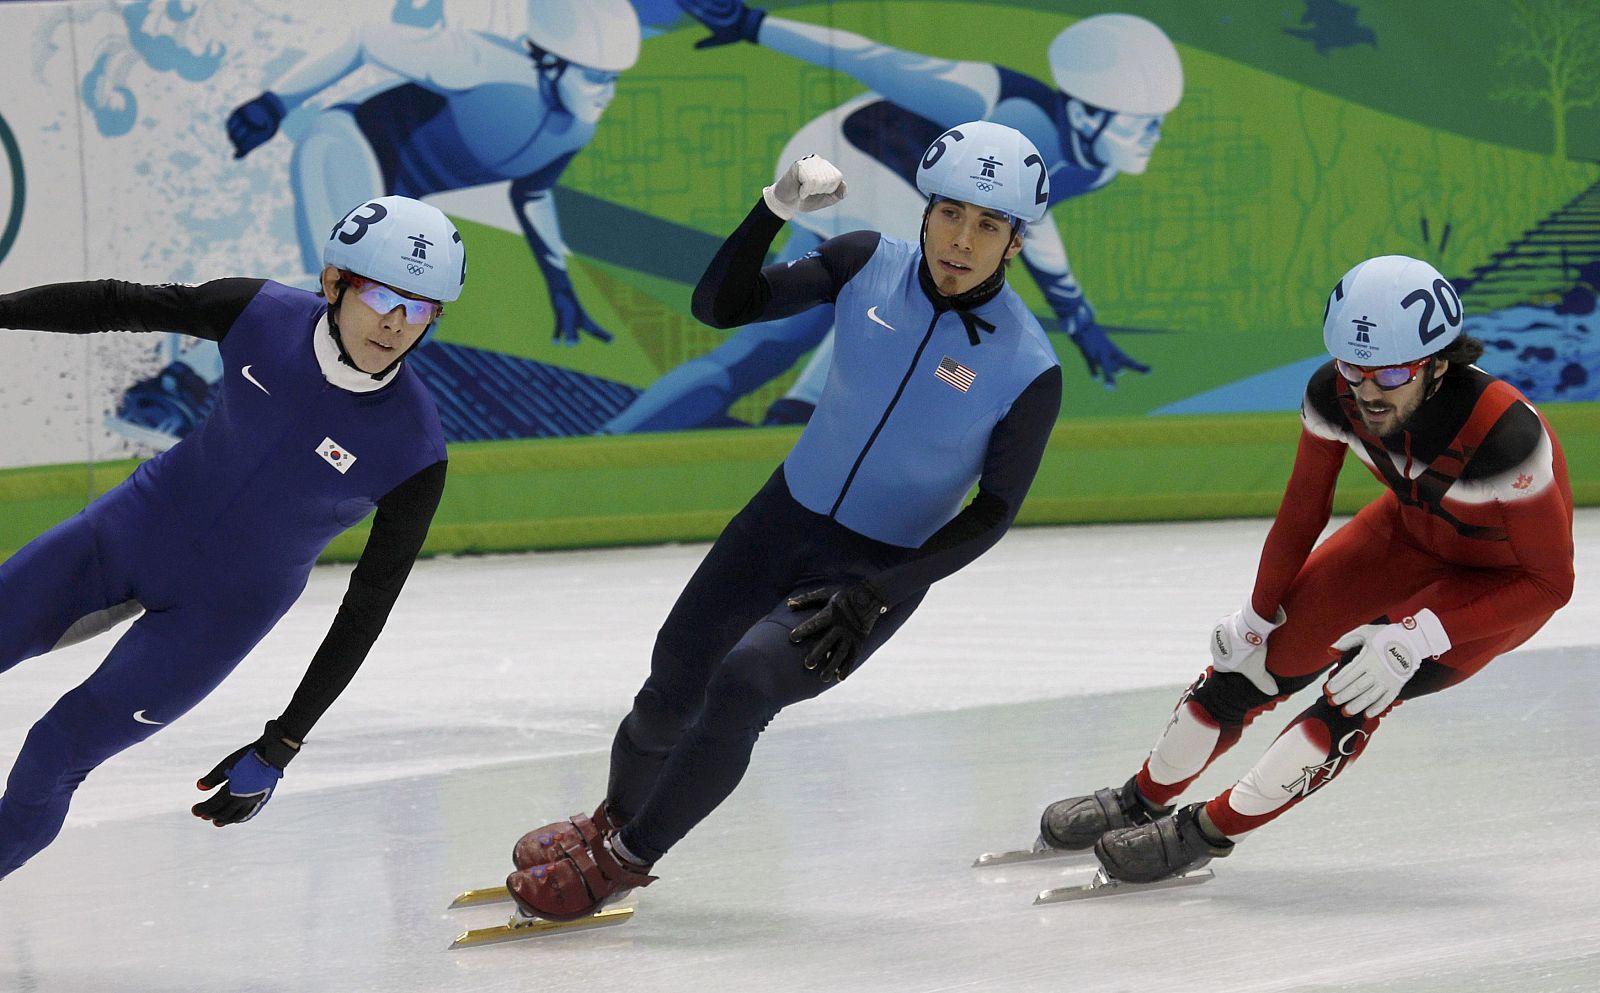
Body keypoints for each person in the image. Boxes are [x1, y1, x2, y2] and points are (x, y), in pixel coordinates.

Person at [505, 121, 1065, 920]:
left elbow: (993, 513)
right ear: (927, 211)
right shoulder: (864, 262)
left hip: (870, 574)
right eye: (949, 214)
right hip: (781, 519)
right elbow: (719, 305)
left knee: (744, 683)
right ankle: (611, 820)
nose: (961, 240)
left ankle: (622, 862)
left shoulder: (1027, 366)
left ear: (1014, 243)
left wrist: (879, 591)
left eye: (987, 226)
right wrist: (772, 208)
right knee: (672, 679)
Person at [1037, 254, 1574, 884]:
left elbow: (1549, 584)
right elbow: (1302, 509)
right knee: (1249, 666)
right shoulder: (1333, 392)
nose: (1368, 392)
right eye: (1355, 368)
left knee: (1356, 689)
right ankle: (1139, 798)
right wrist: (1257, 613)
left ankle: (1203, 832)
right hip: (1403, 538)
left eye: (1391, 374)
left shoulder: (1506, 439)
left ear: (1437, 365)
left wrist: (1423, 634)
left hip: (1492, 587)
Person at [0, 195, 465, 879]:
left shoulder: (416, 452)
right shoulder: (256, 312)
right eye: (380, 295)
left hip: (218, 615)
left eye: (419, 307)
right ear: (335, 283)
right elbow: (114, 301)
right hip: (134, 527)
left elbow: (367, 607)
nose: (396, 324)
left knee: (53, 750)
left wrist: (283, 741)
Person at [600, 8, 1180, 434]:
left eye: (1156, 123)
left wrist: (1079, 319)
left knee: (784, 338)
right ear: (1082, 110)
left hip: (893, 204)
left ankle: (620, 442)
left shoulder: (1096, 159)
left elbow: (1031, 227)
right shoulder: (998, 103)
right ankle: (796, 415)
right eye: (1139, 123)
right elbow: (872, 59)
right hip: (851, 170)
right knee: (900, 308)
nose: (1151, 138)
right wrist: (753, 24)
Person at [112, 0, 638, 449]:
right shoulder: (487, 64)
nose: (605, 93)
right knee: (350, 303)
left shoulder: (575, 129)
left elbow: (535, 194)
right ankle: (180, 378)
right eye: (594, 75)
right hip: (345, 144)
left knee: (402, 319)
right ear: (549, 62)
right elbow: (366, 40)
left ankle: (232, 388)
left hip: (393, 195)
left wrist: (560, 282)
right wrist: (277, 103)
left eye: (613, 79)